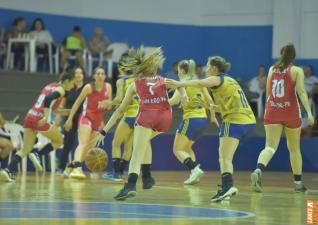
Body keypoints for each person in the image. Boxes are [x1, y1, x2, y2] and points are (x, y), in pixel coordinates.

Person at [97, 46, 187, 200]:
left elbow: (119, 111)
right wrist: (184, 96)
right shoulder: (163, 80)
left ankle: (130, 186)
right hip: (165, 118)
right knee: (144, 143)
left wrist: (104, 130)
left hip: (147, 116)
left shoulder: (134, 84)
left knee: (136, 152)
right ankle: (147, 177)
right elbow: (180, 85)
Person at [166, 56, 256, 202]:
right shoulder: (230, 80)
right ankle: (226, 187)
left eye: (208, 66)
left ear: (214, 68)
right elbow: (226, 107)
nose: (205, 69)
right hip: (249, 122)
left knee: (224, 157)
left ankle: (228, 187)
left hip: (234, 121)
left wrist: (178, 83)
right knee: (226, 157)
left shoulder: (217, 79)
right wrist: (210, 107)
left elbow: (199, 82)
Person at [250, 43, 314, 193]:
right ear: (294, 57)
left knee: (270, 147)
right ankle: (298, 184)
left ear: (281, 54)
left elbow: (267, 92)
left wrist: (270, 109)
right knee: (294, 149)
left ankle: (258, 170)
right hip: (290, 111)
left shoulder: (272, 69)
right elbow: (302, 92)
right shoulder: (297, 70)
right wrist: (310, 113)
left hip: (272, 109)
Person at [0, 72, 76, 181]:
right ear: (66, 81)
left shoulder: (50, 85)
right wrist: (45, 117)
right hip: (39, 119)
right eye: (72, 83)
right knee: (59, 141)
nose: (73, 86)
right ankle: (37, 154)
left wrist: (71, 111)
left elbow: (54, 109)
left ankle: (8, 170)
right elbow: (48, 99)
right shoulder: (61, 89)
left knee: (25, 149)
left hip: (30, 116)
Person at [169, 59, 218, 185]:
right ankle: (193, 174)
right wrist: (213, 116)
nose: (177, 72)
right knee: (187, 147)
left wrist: (157, 101)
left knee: (177, 149)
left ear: (182, 70)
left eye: (178, 70)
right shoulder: (198, 83)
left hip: (191, 119)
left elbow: (173, 101)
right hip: (202, 119)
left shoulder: (183, 83)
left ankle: (195, 169)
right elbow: (210, 101)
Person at [63, 67, 112, 179]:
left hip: (98, 121)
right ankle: (77, 170)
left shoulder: (108, 87)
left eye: (102, 73)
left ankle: (70, 166)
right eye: (98, 73)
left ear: (105, 76)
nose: (100, 75)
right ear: (94, 76)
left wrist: (108, 104)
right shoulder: (88, 87)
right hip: (86, 118)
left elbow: (109, 106)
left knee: (88, 150)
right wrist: (69, 119)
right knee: (83, 143)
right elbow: (76, 104)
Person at [102, 62, 138, 181]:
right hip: (140, 118)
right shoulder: (138, 79)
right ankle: (121, 172)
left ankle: (116, 174)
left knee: (116, 144)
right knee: (128, 146)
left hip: (129, 116)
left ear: (119, 68)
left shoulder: (121, 81)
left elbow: (118, 99)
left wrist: (109, 102)